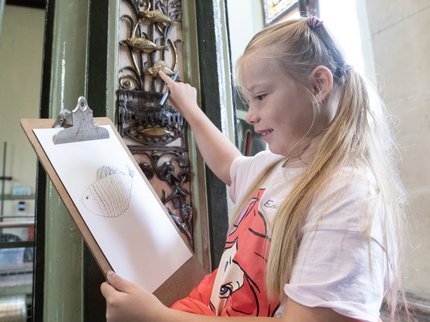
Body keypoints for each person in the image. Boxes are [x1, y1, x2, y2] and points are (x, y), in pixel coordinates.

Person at [101, 16, 408, 322]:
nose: (250, 115)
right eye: (249, 100)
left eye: (260, 97)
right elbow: (228, 165)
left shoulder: (346, 195)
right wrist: (190, 110)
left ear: (318, 85)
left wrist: (155, 317)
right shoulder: (278, 164)